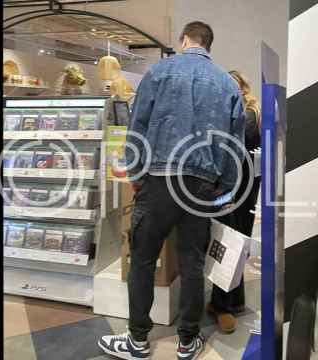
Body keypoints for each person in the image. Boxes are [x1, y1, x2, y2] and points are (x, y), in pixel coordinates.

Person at [98, 21, 245, 360]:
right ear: (209, 45)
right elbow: (234, 145)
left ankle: (137, 341)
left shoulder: (158, 73)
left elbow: (138, 125)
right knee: (193, 262)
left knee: (143, 260)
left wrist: (136, 174)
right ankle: (187, 342)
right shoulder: (227, 84)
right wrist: (224, 191)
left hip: (159, 180)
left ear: (184, 40)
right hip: (201, 187)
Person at [207, 70, 261, 333]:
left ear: (242, 87)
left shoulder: (247, 115)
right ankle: (231, 300)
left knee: (228, 245)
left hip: (235, 192)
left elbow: (231, 151)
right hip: (240, 192)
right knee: (231, 244)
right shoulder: (247, 113)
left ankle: (222, 306)